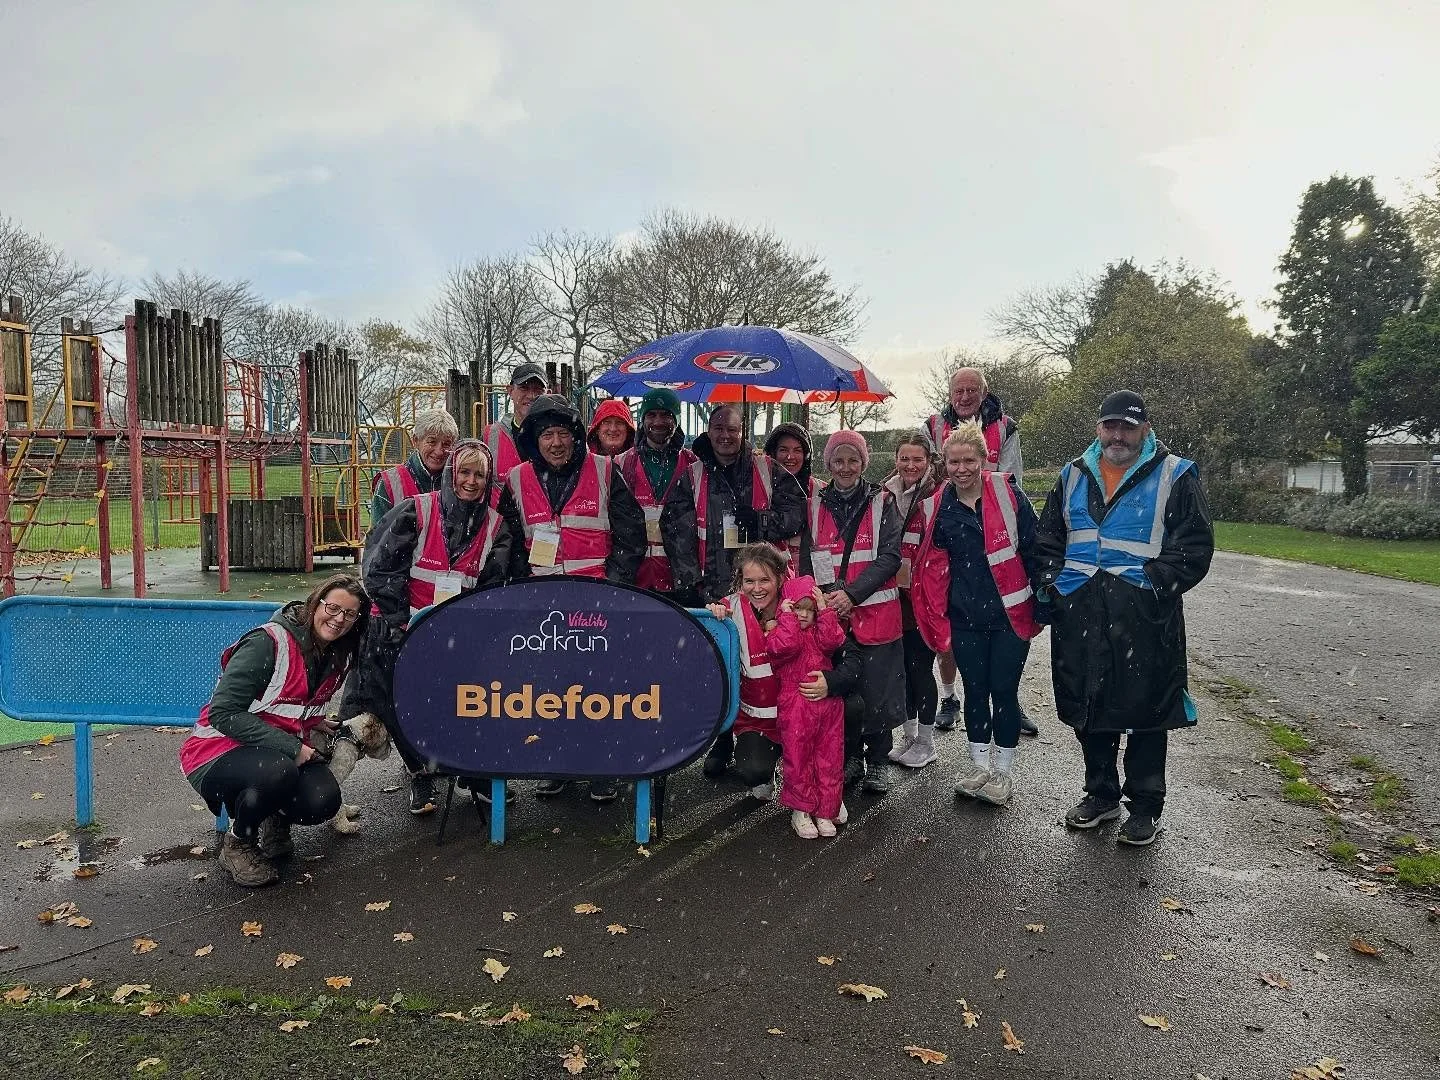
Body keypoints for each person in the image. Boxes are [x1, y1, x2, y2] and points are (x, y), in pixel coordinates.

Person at [1033, 391, 1214, 846]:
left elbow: (1192, 548)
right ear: (1098, 429)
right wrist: (1054, 584)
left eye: (1128, 427)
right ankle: (1100, 795)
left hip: (1144, 618)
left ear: (1145, 430)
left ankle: (1145, 809)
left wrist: (1150, 585)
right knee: (1089, 708)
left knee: (1148, 713)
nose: (1118, 435)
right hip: (1080, 614)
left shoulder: (1176, 474)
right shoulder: (1072, 475)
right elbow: (1048, 539)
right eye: (1111, 426)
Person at [347, 439, 512, 813]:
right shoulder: (415, 511)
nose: (471, 481)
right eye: (465, 473)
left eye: (480, 475)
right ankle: (421, 774)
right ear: (452, 474)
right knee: (403, 706)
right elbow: (381, 570)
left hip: (457, 638)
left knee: (468, 704)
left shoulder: (496, 528)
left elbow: (490, 589)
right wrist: (403, 623)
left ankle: (474, 775)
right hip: (402, 631)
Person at [498, 394, 648, 803]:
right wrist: (523, 592)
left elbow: (630, 537)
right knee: (549, 690)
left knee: (600, 690)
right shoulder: (515, 480)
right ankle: (555, 764)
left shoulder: (604, 472)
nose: (556, 442)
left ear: (578, 436)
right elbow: (509, 545)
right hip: (543, 612)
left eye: (563, 432)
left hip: (597, 608)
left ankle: (602, 767)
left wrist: (611, 588)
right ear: (535, 439)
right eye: (547, 434)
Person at [179, 574, 369, 887]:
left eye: (350, 614)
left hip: (270, 753)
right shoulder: (268, 642)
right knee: (278, 771)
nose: (338, 620)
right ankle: (239, 843)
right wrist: (293, 747)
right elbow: (223, 712)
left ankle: (273, 817)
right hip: (214, 753)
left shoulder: (335, 653)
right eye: (333, 608)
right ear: (315, 602)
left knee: (323, 798)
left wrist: (312, 721)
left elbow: (288, 703)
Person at [911, 423, 1041, 807]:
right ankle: (979, 765)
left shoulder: (1007, 492)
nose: (961, 468)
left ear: (984, 460)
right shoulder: (936, 506)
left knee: (1003, 691)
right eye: (954, 461)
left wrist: (1045, 599)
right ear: (944, 464)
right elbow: (929, 566)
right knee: (975, 691)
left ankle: (1004, 771)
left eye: (970, 460)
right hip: (964, 615)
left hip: (1009, 615)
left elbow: (1034, 547)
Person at [678, 405, 806, 778]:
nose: (724, 436)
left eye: (732, 430)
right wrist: (693, 584)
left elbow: (796, 512)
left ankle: (769, 737)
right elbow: (678, 532)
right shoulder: (694, 474)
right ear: (709, 429)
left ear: (742, 430)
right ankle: (721, 740)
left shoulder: (767, 469)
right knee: (718, 668)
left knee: (761, 664)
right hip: (715, 586)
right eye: (718, 428)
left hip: (760, 589)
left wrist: (761, 520)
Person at [924, 366, 1033, 736]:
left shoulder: (1005, 426)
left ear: (984, 392)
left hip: (992, 523)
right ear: (950, 392)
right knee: (953, 628)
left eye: (972, 389)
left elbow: (1011, 476)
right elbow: (923, 471)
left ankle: (1008, 701)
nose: (965, 395)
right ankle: (950, 697)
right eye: (959, 389)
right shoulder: (934, 424)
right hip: (952, 519)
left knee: (1002, 669)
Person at [802, 430, 905, 794]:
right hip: (834, 617)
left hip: (874, 612)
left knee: (877, 692)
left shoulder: (883, 502)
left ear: (864, 463)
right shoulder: (814, 503)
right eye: (838, 461)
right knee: (843, 692)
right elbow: (809, 561)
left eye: (853, 460)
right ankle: (850, 757)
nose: (846, 468)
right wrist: (822, 599)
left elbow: (890, 557)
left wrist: (853, 594)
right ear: (827, 464)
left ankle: (878, 760)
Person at [706, 544, 790, 802]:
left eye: (765, 580)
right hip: (756, 719)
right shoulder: (730, 607)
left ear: (780, 578)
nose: (757, 588)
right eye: (749, 581)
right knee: (753, 772)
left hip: (796, 713)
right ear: (740, 581)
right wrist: (714, 616)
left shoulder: (797, 605)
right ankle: (767, 765)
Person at [767, 576, 848, 838]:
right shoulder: (780, 632)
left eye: (808, 609)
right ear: (786, 607)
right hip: (796, 706)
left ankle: (826, 808)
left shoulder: (819, 632)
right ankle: (800, 810)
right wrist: (786, 617)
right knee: (798, 759)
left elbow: (833, 640)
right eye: (796, 608)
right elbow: (785, 647)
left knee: (829, 758)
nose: (802, 615)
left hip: (828, 707)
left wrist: (825, 611)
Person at [884, 431, 944, 769]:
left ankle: (926, 740)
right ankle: (908, 735)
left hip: (923, 595)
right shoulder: (887, 492)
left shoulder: (937, 494)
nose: (910, 465)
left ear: (928, 461)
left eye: (917, 459)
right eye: (904, 458)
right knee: (903, 668)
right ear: (896, 459)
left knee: (921, 667)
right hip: (895, 595)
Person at [614, 388, 700, 600]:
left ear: (676, 420)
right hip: (636, 574)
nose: (658, 421)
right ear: (642, 420)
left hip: (678, 576)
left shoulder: (693, 465)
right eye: (651, 415)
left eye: (666, 415)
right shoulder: (622, 463)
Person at [370, 409, 458, 528]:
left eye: (446, 444)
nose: (439, 451)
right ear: (415, 441)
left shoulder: (460, 481)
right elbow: (377, 541)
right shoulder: (389, 484)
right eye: (432, 442)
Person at [481, 361, 547, 507]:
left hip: (545, 524)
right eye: (524, 388)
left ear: (547, 394)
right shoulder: (489, 436)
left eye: (538, 389)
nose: (531, 395)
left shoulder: (561, 436)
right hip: (502, 525)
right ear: (510, 390)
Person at [764, 422, 823, 563]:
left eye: (797, 450)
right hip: (768, 573)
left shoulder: (820, 490)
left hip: (808, 574)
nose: (790, 457)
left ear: (807, 456)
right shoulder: (760, 487)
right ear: (773, 453)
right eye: (783, 450)